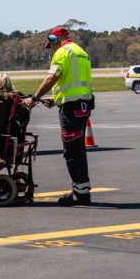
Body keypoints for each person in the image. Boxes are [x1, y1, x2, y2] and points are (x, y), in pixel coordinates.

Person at [23, 26, 95, 206]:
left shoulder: (63, 52)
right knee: (78, 148)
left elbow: (51, 78)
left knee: (71, 150)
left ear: (56, 39)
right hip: (83, 105)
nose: (51, 49)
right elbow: (75, 82)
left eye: (51, 44)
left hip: (71, 109)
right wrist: (56, 99)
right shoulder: (81, 52)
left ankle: (80, 193)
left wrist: (34, 98)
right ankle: (82, 189)